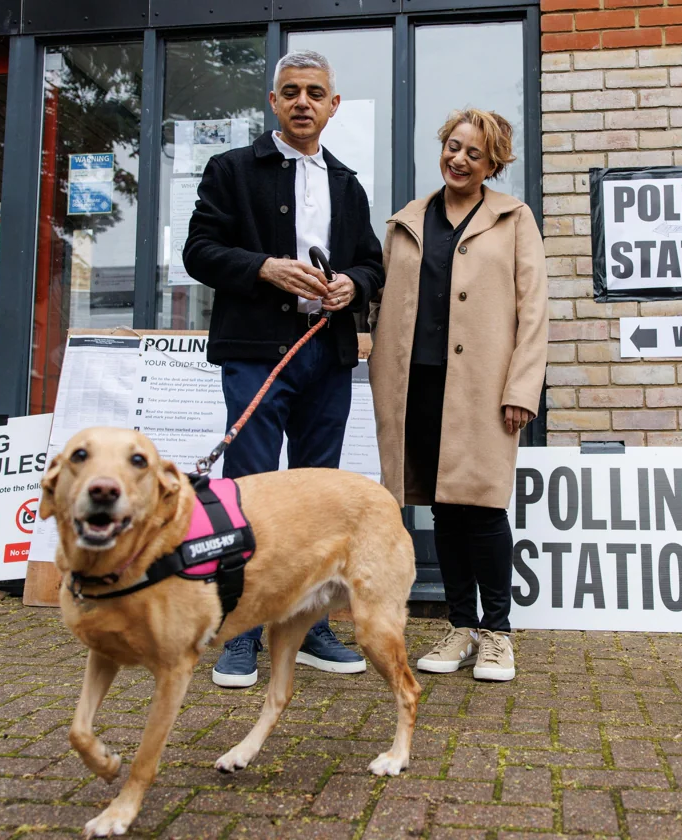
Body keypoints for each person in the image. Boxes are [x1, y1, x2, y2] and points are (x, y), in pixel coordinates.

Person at [184, 50, 385, 688]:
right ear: (274, 102)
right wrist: (264, 268)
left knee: (319, 496)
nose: (303, 102)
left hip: (326, 355)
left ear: (333, 106)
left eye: (315, 93)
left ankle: (311, 626)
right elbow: (199, 251)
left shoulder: (348, 183)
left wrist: (353, 283)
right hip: (254, 352)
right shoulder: (230, 170)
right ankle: (239, 628)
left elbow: (372, 263)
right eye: (291, 91)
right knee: (248, 493)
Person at [368, 109, 549, 682]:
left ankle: (498, 634)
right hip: (416, 383)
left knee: (485, 507)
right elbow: (379, 300)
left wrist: (522, 386)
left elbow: (535, 312)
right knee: (444, 509)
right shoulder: (406, 222)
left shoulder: (514, 220)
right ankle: (460, 625)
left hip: (483, 388)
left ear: (494, 163)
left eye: (474, 153)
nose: (459, 160)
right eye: (453, 147)